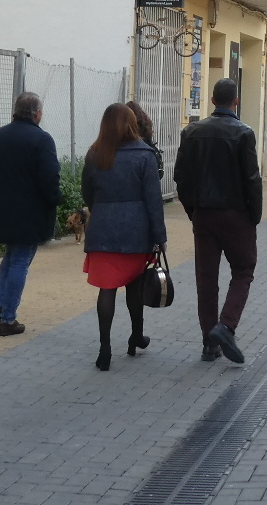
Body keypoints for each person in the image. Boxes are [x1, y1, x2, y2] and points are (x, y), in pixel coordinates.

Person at [175, 78, 263, 364]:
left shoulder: (191, 132)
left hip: (204, 214)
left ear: (212, 101)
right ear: (236, 101)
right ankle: (225, 326)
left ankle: (208, 343)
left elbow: (181, 177)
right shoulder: (244, 133)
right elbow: (252, 179)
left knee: (206, 278)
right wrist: (254, 215)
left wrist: (192, 211)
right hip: (236, 215)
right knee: (243, 269)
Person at [80, 103, 167, 371]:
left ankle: (104, 349)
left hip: (103, 230)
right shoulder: (145, 154)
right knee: (134, 287)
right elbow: (154, 201)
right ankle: (135, 336)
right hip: (136, 231)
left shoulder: (95, 154)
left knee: (106, 290)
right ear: (132, 124)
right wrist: (160, 236)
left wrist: (101, 210)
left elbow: (87, 193)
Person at [0, 92, 60, 336]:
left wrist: (2, 192)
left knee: (11, 257)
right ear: (37, 114)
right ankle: (8, 318)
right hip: (31, 214)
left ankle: (1, 305)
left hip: (3, 211)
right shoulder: (42, 140)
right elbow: (50, 178)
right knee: (20, 260)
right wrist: (55, 199)